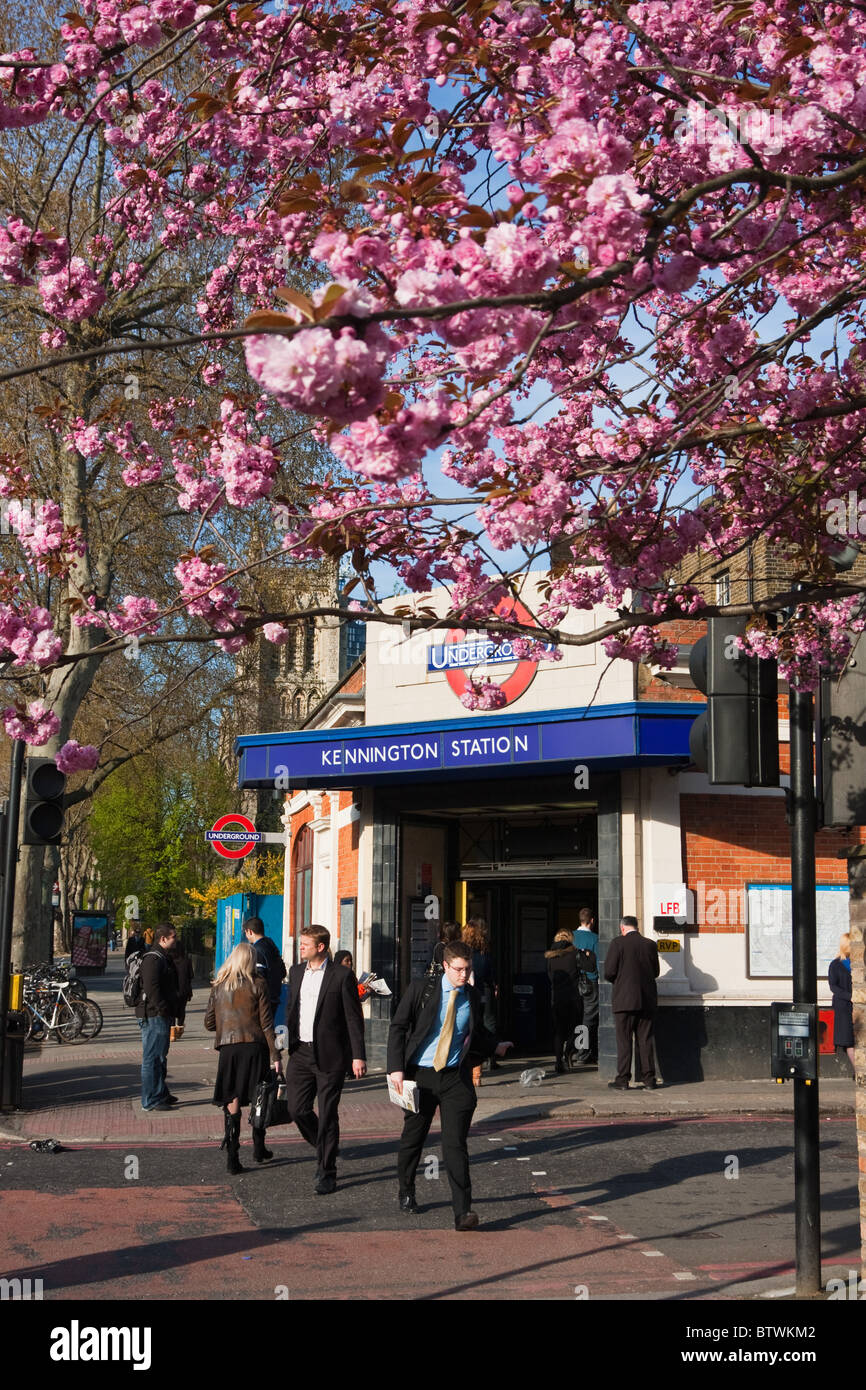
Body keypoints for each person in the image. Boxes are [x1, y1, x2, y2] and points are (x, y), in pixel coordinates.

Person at [387, 940, 513, 1230]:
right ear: (445, 966)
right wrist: (396, 1069)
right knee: (413, 1138)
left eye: (468, 969)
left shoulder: (471, 994)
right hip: (421, 1075)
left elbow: (476, 1032)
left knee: (455, 1144)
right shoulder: (422, 989)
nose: (464, 975)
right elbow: (399, 1027)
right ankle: (406, 1189)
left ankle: (463, 1212)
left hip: (455, 1076)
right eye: (459, 969)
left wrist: (496, 1045)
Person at [285, 925, 367, 1194]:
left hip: (331, 1055)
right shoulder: (296, 972)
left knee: (328, 1113)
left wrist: (357, 1056)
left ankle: (327, 1171)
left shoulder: (341, 975)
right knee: (296, 1109)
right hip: (300, 1052)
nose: (301, 948)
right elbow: (292, 1009)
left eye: (305, 944)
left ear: (320, 947)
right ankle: (324, 1144)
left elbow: (353, 1018)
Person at [204, 942, 281, 1174]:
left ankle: (233, 1157)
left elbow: (209, 1023)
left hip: (229, 1049)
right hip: (254, 1047)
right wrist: (275, 1054)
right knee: (260, 1097)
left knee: (232, 1098)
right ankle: (259, 1148)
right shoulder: (258, 983)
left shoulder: (218, 986)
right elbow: (267, 1024)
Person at [604, 915, 660, 1090]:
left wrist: (621, 981)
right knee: (645, 1040)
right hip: (646, 1000)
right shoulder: (650, 944)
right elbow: (656, 972)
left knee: (624, 1041)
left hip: (624, 1000)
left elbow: (609, 972)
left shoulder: (617, 943)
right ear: (637, 926)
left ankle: (623, 1080)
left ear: (622, 928)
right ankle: (649, 1080)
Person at [134, 922, 180, 1112]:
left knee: (160, 1057)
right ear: (163, 939)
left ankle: (160, 1093)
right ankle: (150, 1099)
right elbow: (152, 989)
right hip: (153, 1015)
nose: (176, 940)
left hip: (160, 1014)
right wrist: (162, 1009)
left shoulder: (163, 957)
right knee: (151, 1058)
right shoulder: (153, 959)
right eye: (173, 937)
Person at [462, 917, 498, 1083]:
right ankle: (488, 1059)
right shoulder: (484, 952)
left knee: (470, 1028)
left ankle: (473, 1069)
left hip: (467, 994)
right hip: (483, 992)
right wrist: (493, 986)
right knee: (488, 1023)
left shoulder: (464, 951)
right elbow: (489, 973)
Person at [545, 929, 582, 1073]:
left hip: (557, 998)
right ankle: (569, 1053)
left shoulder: (550, 957)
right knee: (575, 1028)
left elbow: (549, 977)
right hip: (573, 997)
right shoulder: (575, 954)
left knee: (559, 1031)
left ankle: (558, 1061)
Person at [243, 916, 287, 1017]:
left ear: (249, 931)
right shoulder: (270, 944)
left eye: (245, 932)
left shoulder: (256, 950)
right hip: (274, 996)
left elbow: (259, 977)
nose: (246, 936)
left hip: (263, 1001)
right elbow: (283, 972)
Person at [572, 906, 599, 1065]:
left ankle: (573, 1049)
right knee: (588, 1018)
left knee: (576, 1016)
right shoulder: (595, 939)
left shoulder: (571, 937)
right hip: (590, 983)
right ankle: (583, 1053)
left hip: (574, 982)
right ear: (592, 921)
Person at [828, 933, 855, 1072]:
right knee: (849, 1041)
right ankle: (860, 1072)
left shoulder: (859, 962)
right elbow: (833, 986)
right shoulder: (835, 964)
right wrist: (849, 996)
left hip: (858, 1006)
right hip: (844, 1007)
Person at [167, 936, 194, 1034]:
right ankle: (179, 1029)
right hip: (184, 989)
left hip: (172, 989)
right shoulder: (186, 961)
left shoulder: (169, 960)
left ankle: (172, 1030)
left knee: (171, 1010)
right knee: (182, 1009)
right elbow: (191, 975)